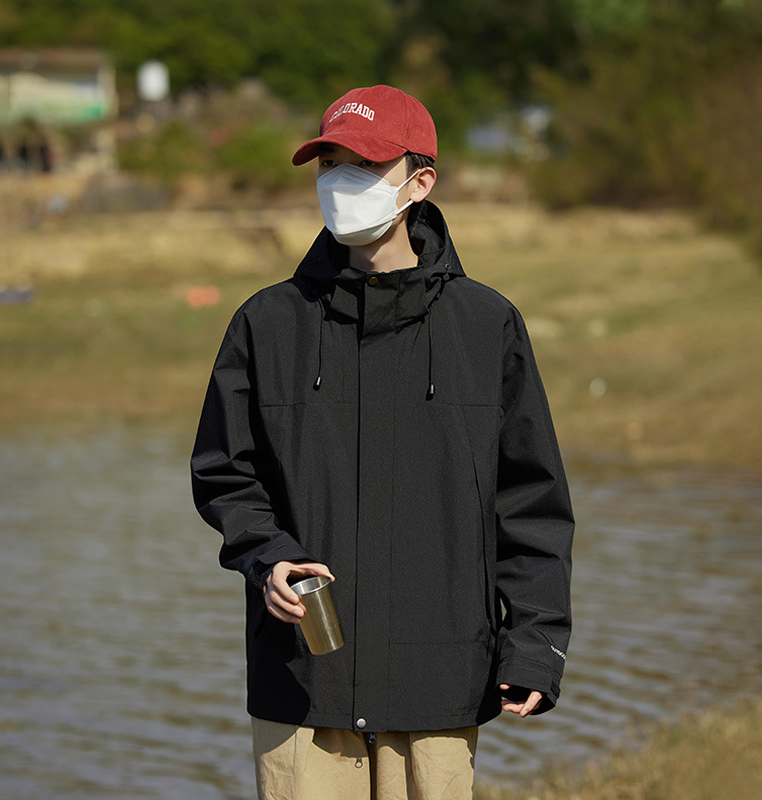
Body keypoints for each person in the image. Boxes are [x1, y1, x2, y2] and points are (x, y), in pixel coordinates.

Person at [191, 85, 574, 800]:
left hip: (440, 682)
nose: (340, 183)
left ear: (419, 182)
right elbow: (224, 474)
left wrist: (534, 644)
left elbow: (531, 501)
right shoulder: (266, 323)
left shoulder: (486, 325)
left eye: (364, 165)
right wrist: (267, 557)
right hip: (303, 680)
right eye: (328, 164)